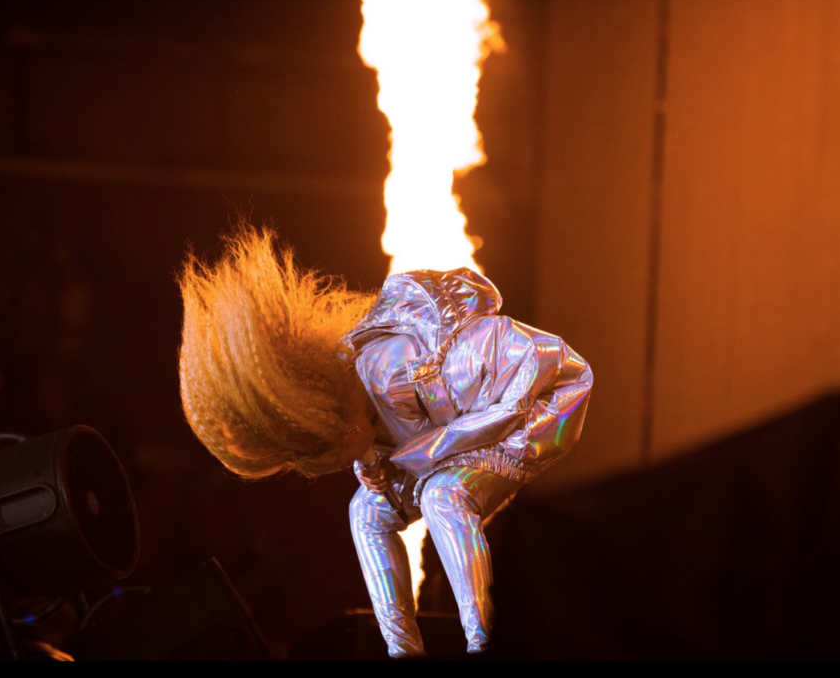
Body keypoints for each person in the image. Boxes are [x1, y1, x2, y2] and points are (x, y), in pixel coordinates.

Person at [178, 228, 593, 656]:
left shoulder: (394, 373)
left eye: (336, 454)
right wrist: (380, 462)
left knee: (443, 496)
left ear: (341, 425)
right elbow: (404, 442)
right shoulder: (360, 401)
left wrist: (405, 459)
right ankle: (403, 651)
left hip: (538, 403)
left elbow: (485, 416)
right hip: (461, 432)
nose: (344, 463)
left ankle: (483, 642)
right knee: (365, 513)